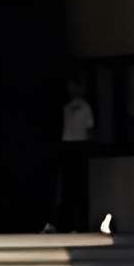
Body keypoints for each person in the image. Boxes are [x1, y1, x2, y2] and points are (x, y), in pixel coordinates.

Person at [52, 80, 96, 232]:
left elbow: (89, 130)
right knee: (76, 187)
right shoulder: (73, 107)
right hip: (74, 146)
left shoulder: (76, 107)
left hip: (73, 145)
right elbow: (89, 129)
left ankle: (71, 224)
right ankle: (73, 224)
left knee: (71, 187)